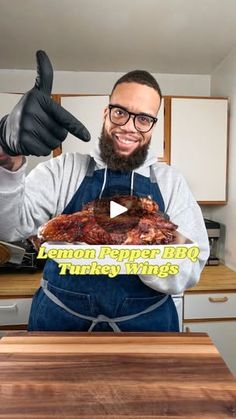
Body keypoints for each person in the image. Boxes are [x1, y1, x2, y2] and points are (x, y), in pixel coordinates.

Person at [0, 51, 209, 332]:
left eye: (144, 119)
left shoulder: (170, 183)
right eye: (120, 112)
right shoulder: (64, 170)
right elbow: (9, 227)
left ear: (153, 126)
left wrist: (139, 250)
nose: (129, 127)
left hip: (146, 328)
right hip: (60, 324)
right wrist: (7, 157)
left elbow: (192, 263)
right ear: (106, 113)